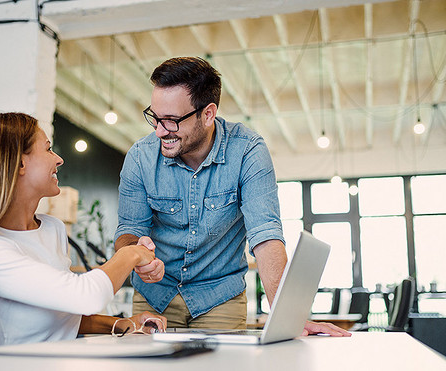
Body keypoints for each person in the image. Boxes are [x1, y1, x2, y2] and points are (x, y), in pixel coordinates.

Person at [114, 57, 349, 337]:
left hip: (219, 299)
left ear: (208, 114)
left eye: (172, 121)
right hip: (154, 298)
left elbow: (266, 235)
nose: (159, 130)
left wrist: (289, 317)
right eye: (155, 117)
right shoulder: (140, 158)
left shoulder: (248, 151)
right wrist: (135, 252)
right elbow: (128, 230)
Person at [0, 112, 166, 350]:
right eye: (48, 149)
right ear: (19, 163)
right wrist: (132, 253)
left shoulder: (52, 228)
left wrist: (124, 324)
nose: (58, 159)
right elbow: (85, 297)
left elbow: (64, 314)